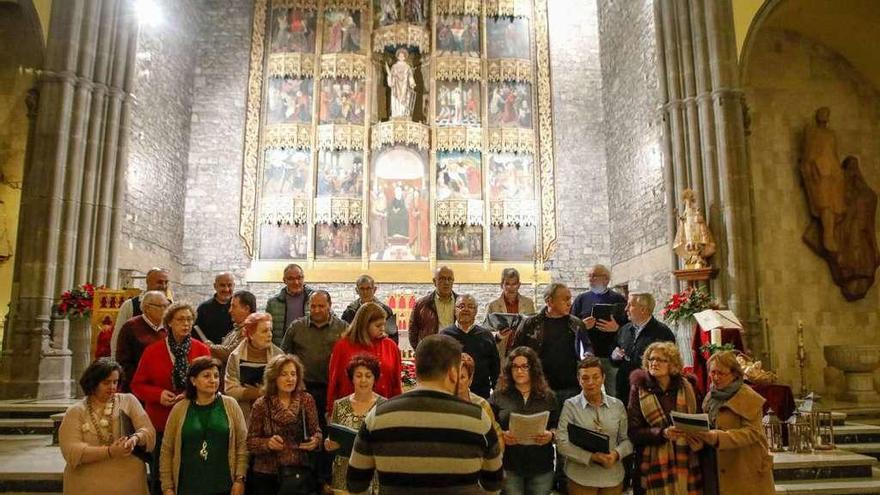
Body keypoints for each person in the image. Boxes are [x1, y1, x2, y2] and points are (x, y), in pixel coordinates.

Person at [347, 335, 503, 494]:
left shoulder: (378, 416)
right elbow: (494, 484)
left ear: (416, 369)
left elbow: (355, 483)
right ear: (453, 372)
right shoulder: (478, 418)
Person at [131, 302, 211, 495]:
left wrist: (189, 394)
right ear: (169, 323)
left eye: (189, 319)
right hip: (161, 420)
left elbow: (212, 384)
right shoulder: (153, 351)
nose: (186, 324)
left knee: (192, 472)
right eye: (180, 319)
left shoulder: (201, 350)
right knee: (162, 474)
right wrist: (158, 395)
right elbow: (137, 385)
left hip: (193, 419)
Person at [59, 359, 156, 495]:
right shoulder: (76, 411)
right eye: (106, 382)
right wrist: (109, 452)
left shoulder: (128, 401)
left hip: (128, 481)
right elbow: (71, 452)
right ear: (93, 383)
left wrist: (136, 438)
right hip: (86, 483)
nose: (112, 387)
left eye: (115, 382)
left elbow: (149, 432)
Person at [689, 351, 774, 495]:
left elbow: (753, 433)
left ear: (735, 374)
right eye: (712, 372)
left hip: (744, 468)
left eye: (721, 373)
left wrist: (719, 437)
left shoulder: (749, 397)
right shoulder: (711, 396)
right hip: (715, 466)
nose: (715, 377)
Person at [160, 356, 248, 495]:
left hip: (224, 486)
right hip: (188, 487)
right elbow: (166, 450)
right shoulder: (179, 409)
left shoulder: (231, 405)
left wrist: (240, 479)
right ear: (193, 380)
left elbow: (242, 445)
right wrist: (167, 487)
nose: (213, 380)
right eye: (206, 376)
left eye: (216, 376)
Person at [627, 342, 702, 495]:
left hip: (685, 458)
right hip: (653, 462)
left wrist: (697, 436)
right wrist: (662, 433)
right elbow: (633, 432)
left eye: (660, 360)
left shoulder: (687, 387)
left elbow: (699, 419)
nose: (654, 363)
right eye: (651, 359)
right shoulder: (639, 389)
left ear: (672, 364)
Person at [247, 354, 323, 495]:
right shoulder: (261, 404)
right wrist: (267, 443)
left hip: (299, 472)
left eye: (293, 374)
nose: (290, 379)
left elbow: (317, 432)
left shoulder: (306, 400)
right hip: (268, 475)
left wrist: (315, 441)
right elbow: (250, 442)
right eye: (284, 374)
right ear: (273, 378)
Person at [556, 357, 632, 495]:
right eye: (585, 378)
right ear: (579, 380)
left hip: (612, 476)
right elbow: (562, 443)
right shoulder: (570, 405)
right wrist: (592, 457)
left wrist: (615, 454)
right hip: (580, 477)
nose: (591, 382)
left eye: (596, 377)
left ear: (603, 378)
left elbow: (627, 440)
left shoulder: (617, 405)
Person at [490, 346, 557, 495]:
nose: (519, 371)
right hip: (510, 463)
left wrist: (551, 435)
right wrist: (501, 434)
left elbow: (556, 425)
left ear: (533, 368)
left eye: (524, 366)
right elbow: (489, 425)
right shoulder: (499, 396)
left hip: (541, 464)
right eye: (515, 367)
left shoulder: (548, 396)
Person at [513, 283, 591, 404]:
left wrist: (587, 355)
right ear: (550, 301)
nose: (570, 303)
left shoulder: (576, 324)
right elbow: (515, 353)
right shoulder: (530, 324)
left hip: (570, 388)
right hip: (538, 387)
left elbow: (587, 347)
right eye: (565, 299)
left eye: (570, 298)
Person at [325, 354, 386, 494]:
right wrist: (329, 443)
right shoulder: (339, 405)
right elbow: (332, 437)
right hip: (343, 476)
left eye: (368, 375)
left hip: (373, 477)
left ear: (374, 378)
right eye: (358, 375)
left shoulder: (384, 405)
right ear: (352, 378)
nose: (363, 380)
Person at [326, 302, 402, 415]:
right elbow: (333, 382)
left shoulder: (390, 346)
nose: (383, 329)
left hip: (383, 411)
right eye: (378, 325)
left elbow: (396, 384)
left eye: (383, 324)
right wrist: (331, 410)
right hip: (349, 411)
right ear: (364, 325)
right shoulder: (342, 346)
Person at [569, 265, 628, 399]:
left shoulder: (618, 299)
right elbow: (570, 324)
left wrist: (617, 328)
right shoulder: (581, 299)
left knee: (613, 394)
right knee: (583, 395)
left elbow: (629, 326)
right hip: (586, 356)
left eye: (594, 276)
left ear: (606, 279)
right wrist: (582, 326)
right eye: (589, 276)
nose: (591, 279)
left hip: (611, 355)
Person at [608, 293, 675, 402]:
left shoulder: (662, 333)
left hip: (649, 393)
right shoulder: (624, 330)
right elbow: (613, 349)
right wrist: (614, 355)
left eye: (630, 305)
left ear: (643, 309)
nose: (626, 309)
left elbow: (668, 365)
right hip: (624, 392)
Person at [800, 106, 845, 252]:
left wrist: (838, 172)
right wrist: (809, 169)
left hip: (833, 171)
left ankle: (830, 234)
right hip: (819, 172)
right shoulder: (811, 132)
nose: (824, 116)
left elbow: (834, 153)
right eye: (822, 113)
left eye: (827, 113)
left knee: (834, 205)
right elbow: (808, 153)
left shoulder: (831, 134)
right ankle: (828, 236)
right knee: (825, 204)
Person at [225, 311, 284, 421]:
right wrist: (258, 392)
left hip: (272, 415)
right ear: (251, 334)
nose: (270, 334)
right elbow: (230, 389)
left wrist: (265, 391)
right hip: (243, 414)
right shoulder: (235, 356)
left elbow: (284, 388)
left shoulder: (279, 356)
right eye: (264, 331)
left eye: (270, 330)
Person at [440, 294, 500, 399]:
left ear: (476, 311)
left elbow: (495, 369)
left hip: (481, 395)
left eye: (470, 306)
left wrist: (498, 396)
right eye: (461, 306)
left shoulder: (486, 336)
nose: (466, 309)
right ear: (455, 311)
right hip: (451, 395)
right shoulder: (444, 336)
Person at [116, 291, 169, 392]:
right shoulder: (131, 327)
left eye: (166, 306)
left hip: (163, 386)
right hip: (138, 385)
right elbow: (123, 361)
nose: (166, 310)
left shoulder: (168, 326)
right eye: (161, 306)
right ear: (147, 308)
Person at [111, 268, 170, 359]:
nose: (164, 286)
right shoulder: (130, 305)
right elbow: (117, 339)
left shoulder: (171, 306)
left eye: (166, 282)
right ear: (148, 282)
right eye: (160, 282)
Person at [484, 267, 536, 357]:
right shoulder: (493, 305)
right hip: (501, 354)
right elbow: (485, 332)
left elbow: (533, 329)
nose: (511, 287)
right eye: (507, 284)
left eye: (514, 284)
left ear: (519, 285)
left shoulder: (528, 303)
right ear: (501, 285)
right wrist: (498, 336)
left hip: (522, 353)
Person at [458, 353, 504, 453]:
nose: (458, 382)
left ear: (470, 379)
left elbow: (497, 436)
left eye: (462, 377)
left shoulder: (481, 404)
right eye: (454, 376)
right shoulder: (441, 403)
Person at [408, 265, 457, 350]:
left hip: (454, 350)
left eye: (449, 279)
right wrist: (420, 350)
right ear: (434, 281)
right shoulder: (421, 304)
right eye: (442, 279)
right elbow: (413, 331)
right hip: (430, 351)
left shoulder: (460, 304)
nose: (446, 282)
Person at [266, 263, 315, 346]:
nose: (296, 282)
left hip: (309, 349)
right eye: (291, 279)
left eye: (299, 278)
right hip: (282, 350)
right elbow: (267, 329)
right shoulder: (273, 303)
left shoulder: (315, 299)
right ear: (284, 280)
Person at [340, 274, 399, 344]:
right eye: (362, 289)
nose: (365, 292)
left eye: (368, 288)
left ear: (374, 289)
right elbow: (345, 334)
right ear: (357, 290)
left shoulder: (386, 310)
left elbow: (393, 336)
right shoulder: (349, 312)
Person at [210, 290, 257, 363]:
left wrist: (210, 347)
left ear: (246, 309)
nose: (230, 310)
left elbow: (231, 354)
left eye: (233, 306)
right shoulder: (237, 329)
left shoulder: (251, 330)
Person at [194, 272, 235, 344]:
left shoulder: (240, 308)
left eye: (229, 285)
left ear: (234, 286)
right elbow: (196, 335)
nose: (226, 289)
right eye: (222, 285)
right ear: (215, 286)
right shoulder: (203, 308)